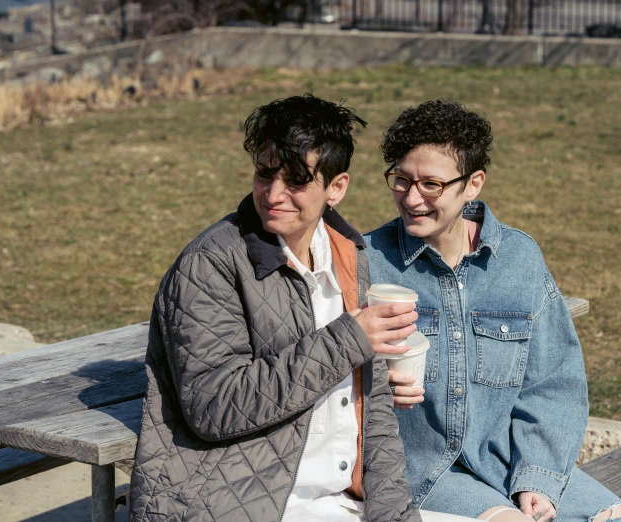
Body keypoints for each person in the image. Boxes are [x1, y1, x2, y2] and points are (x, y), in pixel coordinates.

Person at [129, 94, 478, 522]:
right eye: (265, 173)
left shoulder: (347, 253)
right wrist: (349, 339)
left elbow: (376, 413)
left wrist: (394, 515)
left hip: (343, 501)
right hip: (246, 501)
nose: (274, 194)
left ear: (336, 188)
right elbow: (214, 407)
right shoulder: (211, 264)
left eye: (296, 180)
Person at [364, 100, 621, 522]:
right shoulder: (368, 261)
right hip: (420, 469)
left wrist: (538, 476)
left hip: (506, 458)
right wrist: (375, 376)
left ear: (473, 184)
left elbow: (553, 382)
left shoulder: (519, 258)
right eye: (401, 180)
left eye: (431, 185)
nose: (411, 197)